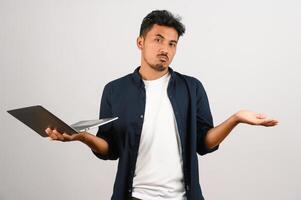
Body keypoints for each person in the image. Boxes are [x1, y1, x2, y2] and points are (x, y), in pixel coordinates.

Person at [45, 10, 278, 200]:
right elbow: (110, 149)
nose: (165, 49)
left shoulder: (192, 88)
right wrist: (81, 137)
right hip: (133, 196)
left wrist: (235, 118)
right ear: (140, 42)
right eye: (158, 40)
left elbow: (204, 144)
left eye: (172, 44)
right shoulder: (115, 90)